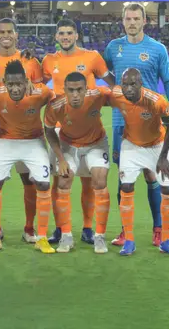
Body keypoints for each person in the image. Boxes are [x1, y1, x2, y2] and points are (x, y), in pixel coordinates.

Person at [103, 2, 169, 247]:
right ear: (123, 21)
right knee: (124, 176)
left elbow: (168, 81)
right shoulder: (113, 47)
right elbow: (105, 73)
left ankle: (158, 229)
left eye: (136, 18)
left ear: (144, 21)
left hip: (153, 120)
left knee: (152, 175)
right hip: (121, 120)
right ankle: (126, 231)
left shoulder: (157, 49)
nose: (132, 22)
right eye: (128, 18)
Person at [42, 18, 115, 245]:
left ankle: (87, 228)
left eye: (69, 33)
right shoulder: (48, 60)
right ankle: (60, 228)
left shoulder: (92, 57)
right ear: (56, 36)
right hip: (59, 122)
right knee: (60, 180)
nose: (65, 37)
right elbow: (36, 82)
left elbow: (110, 82)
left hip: (88, 121)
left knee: (88, 181)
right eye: (61, 33)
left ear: (76, 36)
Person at [0, 60, 56, 254]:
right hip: (6, 141)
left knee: (43, 185)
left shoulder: (40, 92)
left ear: (26, 81)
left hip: (34, 142)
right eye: (10, 84)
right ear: (4, 82)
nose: (15, 88)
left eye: (19, 83)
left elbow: (57, 100)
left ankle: (42, 237)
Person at [112, 68, 169, 256]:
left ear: (141, 84)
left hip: (157, 145)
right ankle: (129, 240)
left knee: (168, 189)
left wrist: (162, 157)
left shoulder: (156, 101)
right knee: (126, 186)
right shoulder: (116, 95)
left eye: (133, 84)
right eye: (125, 84)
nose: (128, 89)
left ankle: (166, 241)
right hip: (132, 145)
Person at [0, 18, 43, 243]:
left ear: (16, 35)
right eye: (1, 31)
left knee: (29, 180)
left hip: (26, 128)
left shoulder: (31, 61)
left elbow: (39, 90)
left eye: (10, 31)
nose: (5, 35)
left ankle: (29, 228)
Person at [44, 72, 113, 254]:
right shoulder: (55, 106)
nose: (75, 94)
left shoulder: (98, 95)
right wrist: (60, 158)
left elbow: (121, 97)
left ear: (86, 89)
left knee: (99, 180)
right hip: (69, 145)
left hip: (96, 144)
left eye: (79, 90)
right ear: (64, 89)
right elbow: (49, 130)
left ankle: (99, 236)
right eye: (71, 90)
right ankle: (66, 236)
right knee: (63, 181)